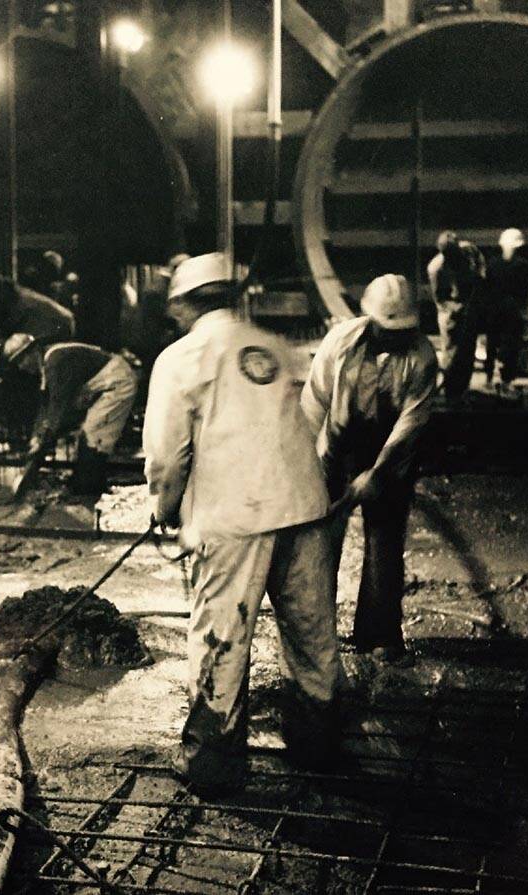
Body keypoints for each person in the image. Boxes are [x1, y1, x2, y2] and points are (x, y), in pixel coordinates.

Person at [143, 252, 340, 795]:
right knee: (311, 633)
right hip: (304, 504)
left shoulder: (182, 357)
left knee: (222, 637)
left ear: (185, 304)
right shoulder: (274, 348)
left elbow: (165, 455)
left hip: (237, 517)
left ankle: (213, 764)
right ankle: (318, 745)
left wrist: (163, 507)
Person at [301, 274, 438, 667]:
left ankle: (379, 634)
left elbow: (411, 423)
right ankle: (314, 631)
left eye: (403, 330)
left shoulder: (423, 357)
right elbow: (314, 403)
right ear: (370, 319)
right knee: (320, 541)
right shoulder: (339, 344)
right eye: (387, 328)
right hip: (340, 447)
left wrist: (378, 472)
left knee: (385, 543)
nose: (395, 336)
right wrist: (308, 463)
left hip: (391, 452)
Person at [3, 332, 137, 499]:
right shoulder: (47, 365)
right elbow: (46, 407)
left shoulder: (55, 361)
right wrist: (36, 438)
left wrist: (43, 441)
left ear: (34, 350)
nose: (21, 366)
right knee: (88, 435)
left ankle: (88, 493)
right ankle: (85, 486)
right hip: (101, 385)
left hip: (116, 383)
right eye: (17, 362)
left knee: (94, 435)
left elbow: (58, 410)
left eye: (21, 359)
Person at [427, 231, 483, 400]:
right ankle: (450, 389)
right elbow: (439, 299)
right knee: (451, 350)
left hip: (469, 304)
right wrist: (455, 308)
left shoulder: (470, 252)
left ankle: (463, 388)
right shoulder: (435, 268)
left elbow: (480, 271)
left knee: (468, 349)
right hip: (449, 310)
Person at [484, 228, 528, 395]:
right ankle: (506, 379)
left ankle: (489, 377)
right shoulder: (522, 265)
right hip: (511, 309)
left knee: (492, 344)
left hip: (494, 309)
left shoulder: (492, 264)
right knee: (511, 344)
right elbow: (524, 290)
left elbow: (487, 288)